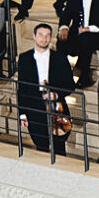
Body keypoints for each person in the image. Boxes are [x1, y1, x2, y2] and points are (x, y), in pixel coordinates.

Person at [17, 19, 75, 152]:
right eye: (41, 35)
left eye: (47, 35)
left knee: (59, 146)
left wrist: (56, 94)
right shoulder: (24, 58)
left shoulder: (60, 58)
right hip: (34, 105)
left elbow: (70, 85)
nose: (44, 39)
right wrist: (22, 114)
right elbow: (22, 88)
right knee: (41, 145)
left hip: (57, 107)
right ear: (34, 36)